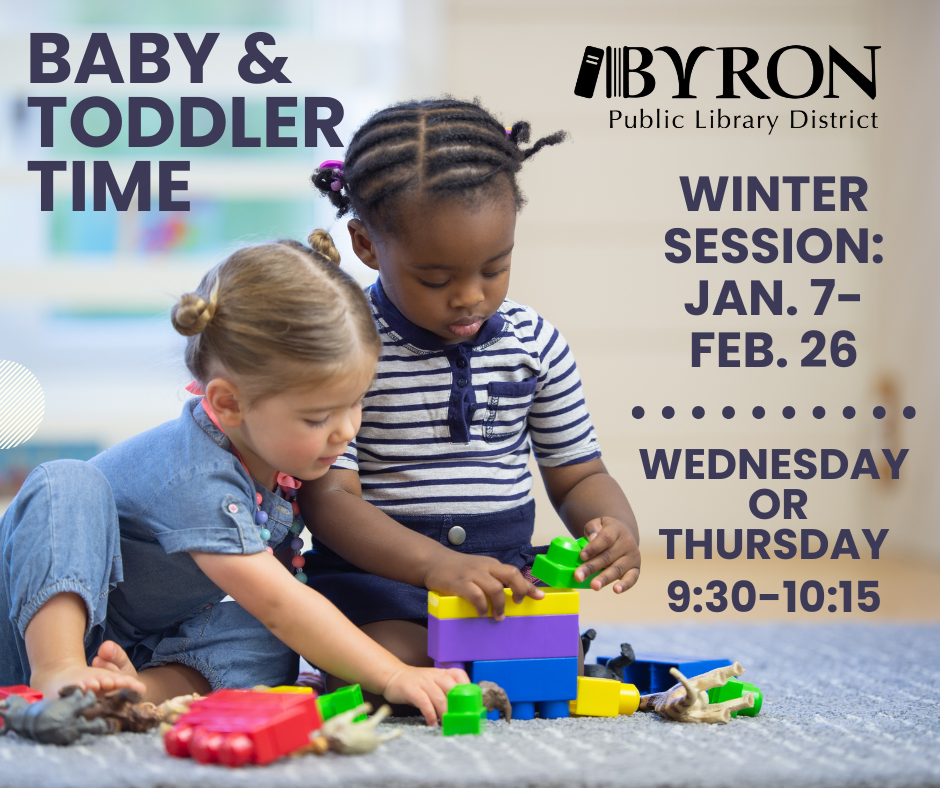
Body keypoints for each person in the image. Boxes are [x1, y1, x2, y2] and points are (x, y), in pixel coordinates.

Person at [0, 232, 466, 725]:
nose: (346, 431)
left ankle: (129, 697)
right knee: (67, 482)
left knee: (269, 639)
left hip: (127, 646)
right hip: (26, 629)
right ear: (227, 403)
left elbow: (279, 613)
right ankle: (59, 673)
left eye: (356, 403)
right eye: (317, 418)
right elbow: (280, 601)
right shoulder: (200, 472)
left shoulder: (276, 459)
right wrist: (393, 675)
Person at [300, 98, 642, 697]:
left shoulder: (535, 345)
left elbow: (578, 475)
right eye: (435, 279)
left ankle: (488, 663)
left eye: (495, 268)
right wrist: (433, 567)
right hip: (382, 579)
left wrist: (612, 526)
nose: (469, 297)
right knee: (381, 661)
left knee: (536, 661)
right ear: (367, 246)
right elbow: (329, 501)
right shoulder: (346, 350)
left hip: (501, 579)